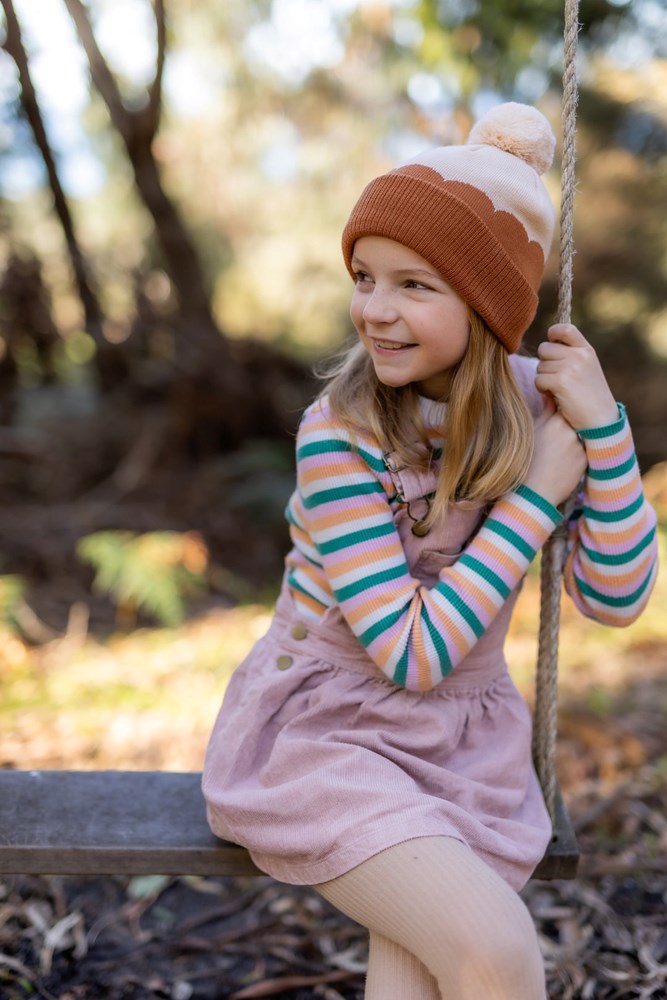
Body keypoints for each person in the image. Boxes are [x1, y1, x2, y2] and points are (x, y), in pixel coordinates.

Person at [202, 102, 658, 999]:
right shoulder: (338, 434)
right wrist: (533, 499)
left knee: (421, 971)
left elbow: (617, 595)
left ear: (488, 304)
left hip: (462, 746)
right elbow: (411, 655)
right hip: (324, 736)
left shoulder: (545, 409)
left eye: (414, 285)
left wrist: (603, 430)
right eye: (365, 276)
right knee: (493, 950)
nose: (374, 310)